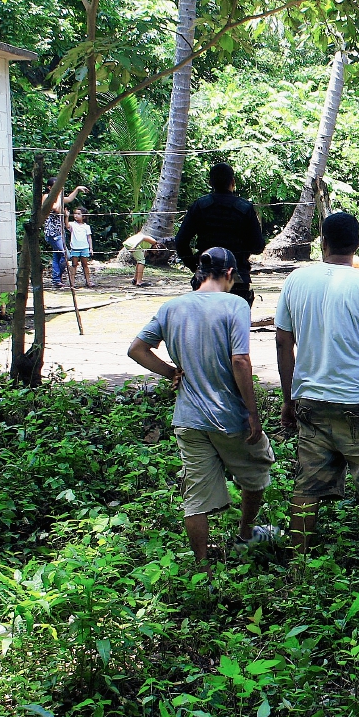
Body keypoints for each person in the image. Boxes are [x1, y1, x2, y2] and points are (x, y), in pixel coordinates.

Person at [127, 247, 275, 578]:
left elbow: (136, 349)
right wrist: (253, 412)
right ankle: (246, 533)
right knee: (257, 474)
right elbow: (240, 360)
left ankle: (203, 571)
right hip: (228, 417)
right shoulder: (235, 305)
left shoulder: (172, 307)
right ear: (230, 275)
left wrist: (170, 372)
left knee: (195, 497)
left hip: (189, 419)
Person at [276, 212, 359, 563]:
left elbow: (284, 344)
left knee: (307, 485)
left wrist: (289, 399)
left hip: (311, 400)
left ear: (323, 242)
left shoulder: (296, 281)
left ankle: (299, 564)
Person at [174, 163, 265, 306]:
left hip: (206, 274)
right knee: (236, 323)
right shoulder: (244, 208)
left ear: (210, 183)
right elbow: (258, 246)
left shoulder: (200, 206)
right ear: (233, 182)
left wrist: (196, 265)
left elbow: (180, 242)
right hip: (236, 275)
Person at [42, 178, 87, 288]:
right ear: (49, 188)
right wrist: (59, 195)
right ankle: (56, 277)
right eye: (56, 187)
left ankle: (56, 280)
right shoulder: (47, 197)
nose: (59, 189)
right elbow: (56, 209)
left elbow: (70, 199)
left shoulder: (58, 197)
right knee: (65, 255)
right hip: (52, 233)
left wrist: (77, 189)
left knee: (57, 256)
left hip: (59, 232)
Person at [66, 208, 95, 288]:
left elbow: (89, 238)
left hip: (84, 248)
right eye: (75, 213)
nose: (76, 215)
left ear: (84, 216)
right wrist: (66, 216)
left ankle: (88, 281)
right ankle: (72, 282)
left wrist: (91, 248)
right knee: (74, 265)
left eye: (78, 214)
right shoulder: (72, 224)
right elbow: (67, 225)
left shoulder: (86, 227)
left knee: (85, 265)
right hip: (75, 248)